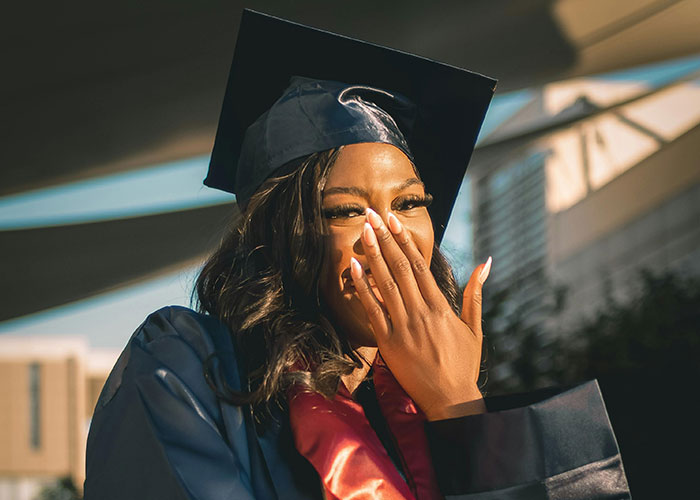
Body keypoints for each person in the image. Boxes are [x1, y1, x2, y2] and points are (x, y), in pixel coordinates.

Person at [84, 10, 631, 500]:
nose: (389, 238)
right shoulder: (192, 367)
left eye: (411, 202)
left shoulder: (427, 401)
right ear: (276, 236)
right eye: (346, 212)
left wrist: (459, 407)